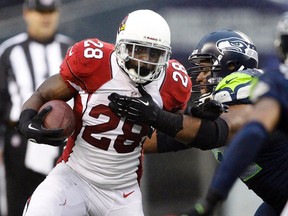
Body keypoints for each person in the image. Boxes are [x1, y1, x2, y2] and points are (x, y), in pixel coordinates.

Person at [17, 9, 192, 216]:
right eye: (138, 50)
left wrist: (187, 114)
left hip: (123, 191)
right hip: (75, 175)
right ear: (122, 46)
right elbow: (43, 93)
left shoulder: (172, 82)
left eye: (154, 53)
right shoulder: (94, 61)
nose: (145, 60)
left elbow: (178, 123)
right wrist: (26, 120)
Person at [108, 28, 288, 215]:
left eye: (204, 69)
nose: (199, 77)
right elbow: (168, 137)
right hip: (277, 201)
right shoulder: (219, 109)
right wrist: (99, 135)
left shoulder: (244, 87)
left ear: (232, 67)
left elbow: (213, 133)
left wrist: (155, 115)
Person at [0, 0, 74, 215]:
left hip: (65, 141)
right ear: (26, 13)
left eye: (50, 11)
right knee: (19, 207)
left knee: (65, 206)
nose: (45, 17)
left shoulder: (72, 51)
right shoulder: (9, 51)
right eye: (39, 11)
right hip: (19, 143)